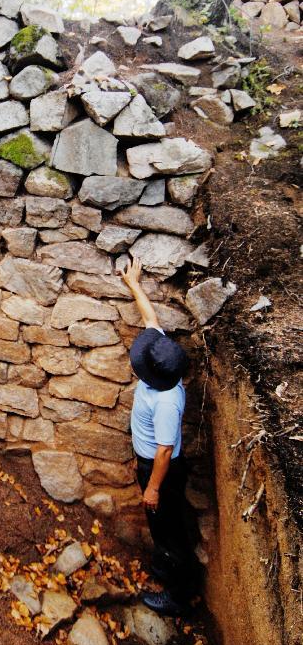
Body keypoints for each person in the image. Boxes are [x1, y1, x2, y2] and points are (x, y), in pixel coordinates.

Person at [120, 256, 198, 616]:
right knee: (162, 523)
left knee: (168, 528)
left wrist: (152, 487)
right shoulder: (163, 356)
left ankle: (179, 595)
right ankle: (167, 563)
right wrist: (134, 284)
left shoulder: (167, 401)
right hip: (153, 463)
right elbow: (151, 321)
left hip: (160, 470)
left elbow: (166, 450)